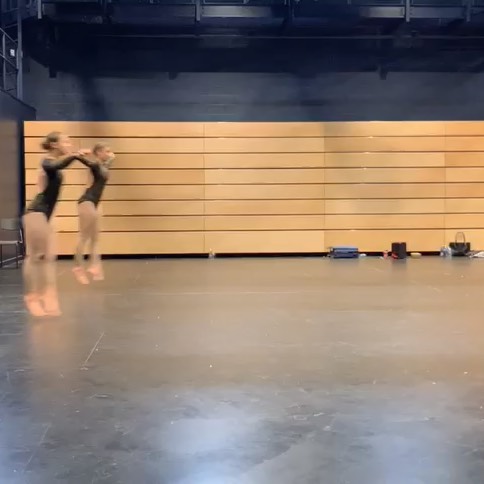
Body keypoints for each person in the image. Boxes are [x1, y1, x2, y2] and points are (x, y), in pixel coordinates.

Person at [23, 132, 91, 317]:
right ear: (54, 145)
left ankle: (48, 294)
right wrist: (75, 154)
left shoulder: (54, 166)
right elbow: (56, 166)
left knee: (49, 257)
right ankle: (32, 297)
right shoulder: (47, 162)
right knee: (34, 256)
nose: (69, 144)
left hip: (45, 215)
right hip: (35, 213)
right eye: (66, 142)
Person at [72, 142, 115, 284]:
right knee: (84, 236)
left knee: (95, 238)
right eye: (106, 151)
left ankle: (95, 265)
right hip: (87, 201)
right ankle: (78, 267)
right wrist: (79, 153)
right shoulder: (96, 165)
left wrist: (108, 158)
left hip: (95, 203)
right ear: (99, 153)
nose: (110, 153)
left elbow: (107, 165)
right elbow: (85, 161)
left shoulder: (103, 166)